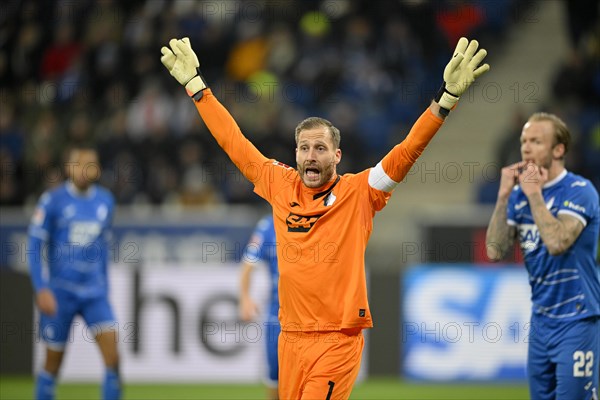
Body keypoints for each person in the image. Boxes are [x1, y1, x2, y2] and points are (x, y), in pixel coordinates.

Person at [161, 36, 489, 399]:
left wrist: (445, 101)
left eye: (320, 148)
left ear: (337, 155)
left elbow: (407, 151)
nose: (311, 155)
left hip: (336, 342)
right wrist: (197, 87)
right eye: (304, 148)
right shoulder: (278, 183)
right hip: (290, 339)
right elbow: (233, 141)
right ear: (296, 154)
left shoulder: (359, 191)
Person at [486, 113, 599, 400]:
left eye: (536, 141)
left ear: (558, 150)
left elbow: (557, 241)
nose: (526, 148)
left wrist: (534, 194)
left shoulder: (580, 190)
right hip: (541, 322)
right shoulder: (517, 197)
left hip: (578, 319)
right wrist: (502, 198)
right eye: (524, 141)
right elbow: (494, 251)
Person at [28, 145, 121, 400]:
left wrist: (106, 288)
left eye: (90, 164)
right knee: (52, 365)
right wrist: (41, 287)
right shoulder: (52, 201)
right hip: (60, 293)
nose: (84, 170)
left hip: (95, 294)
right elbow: (34, 246)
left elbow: (102, 247)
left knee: (113, 360)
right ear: (69, 168)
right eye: (79, 164)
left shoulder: (105, 201)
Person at [239, 214, 280, 400]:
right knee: (275, 377)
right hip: (277, 314)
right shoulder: (268, 225)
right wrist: (245, 298)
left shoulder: (315, 216)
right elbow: (248, 263)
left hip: (309, 314)